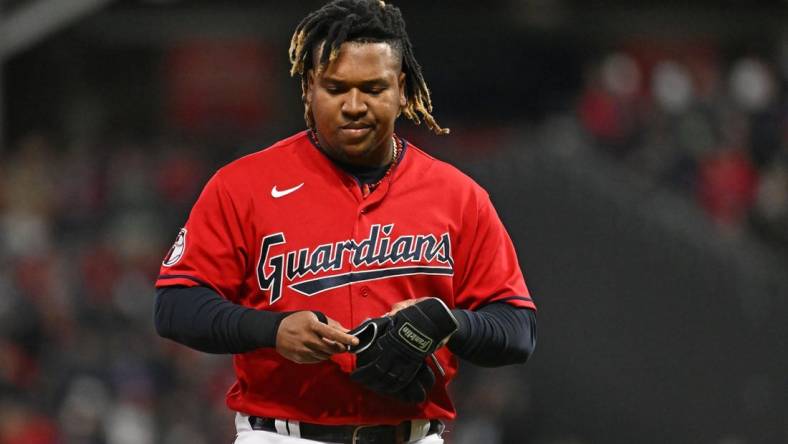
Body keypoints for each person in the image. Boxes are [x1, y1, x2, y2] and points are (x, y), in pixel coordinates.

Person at [153, 1, 537, 443]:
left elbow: (518, 329)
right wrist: (271, 330)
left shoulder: (458, 196)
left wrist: (446, 323)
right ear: (308, 89)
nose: (354, 105)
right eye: (336, 88)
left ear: (402, 89)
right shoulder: (243, 186)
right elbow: (174, 306)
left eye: (373, 88)